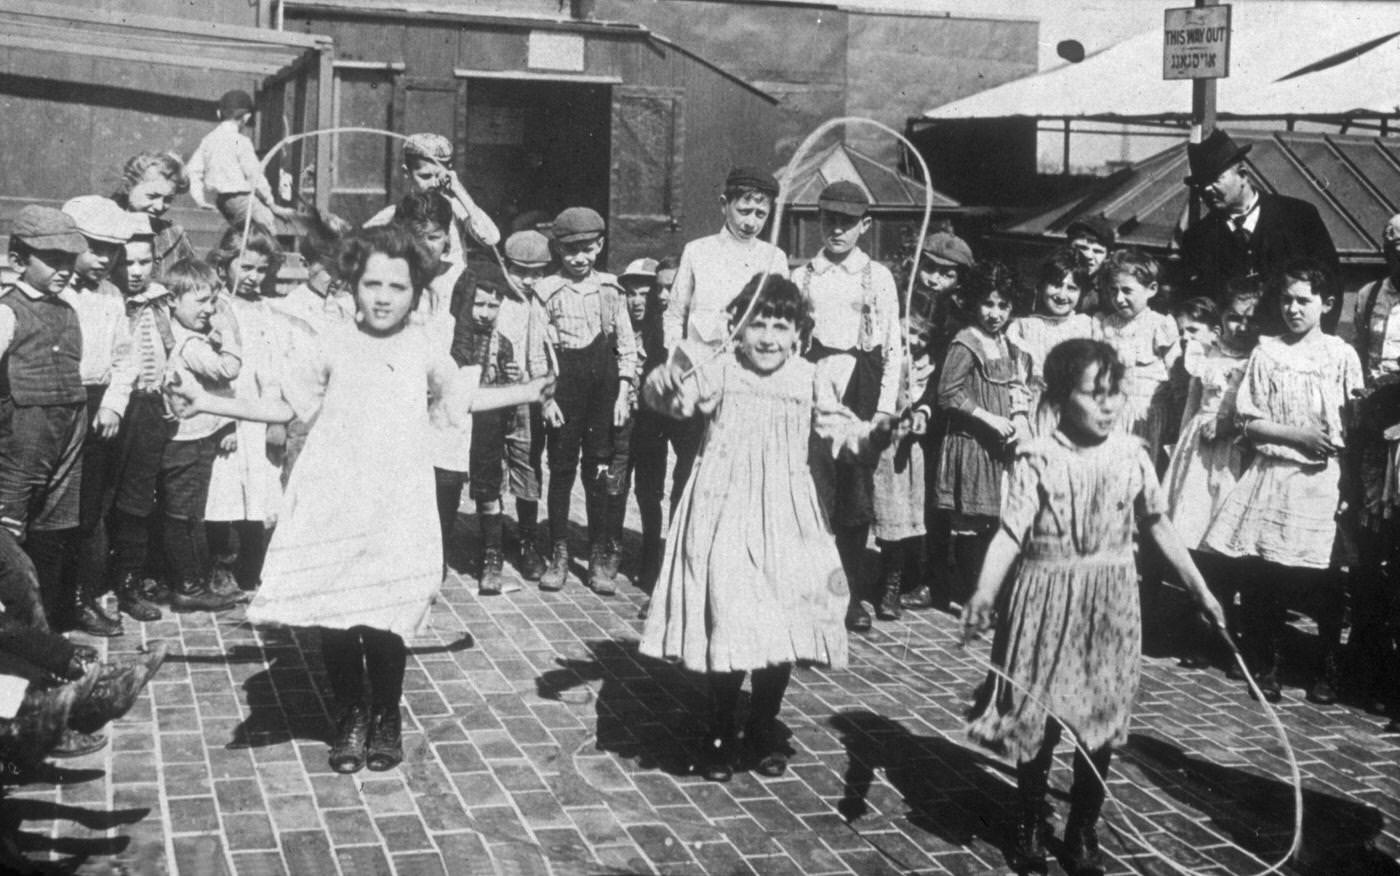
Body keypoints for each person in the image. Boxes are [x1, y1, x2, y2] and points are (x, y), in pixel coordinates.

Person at [164, 225, 551, 774]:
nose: (384, 296)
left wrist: (529, 390)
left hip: (396, 495)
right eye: (372, 283)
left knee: (385, 611)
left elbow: (459, 398)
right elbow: (285, 406)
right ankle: (349, 714)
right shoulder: (332, 340)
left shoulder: (422, 345)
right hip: (334, 494)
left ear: (415, 290)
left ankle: (386, 714)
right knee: (339, 609)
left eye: (397, 285)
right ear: (353, 285)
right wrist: (206, 399)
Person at [963, 338, 1226, 876]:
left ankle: (1083, 824)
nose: (1108, 405)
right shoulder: (1038, 456)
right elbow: (1010, 534)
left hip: (1110, 600)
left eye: (1115, 394)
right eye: (1094, 394)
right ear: (1061, 397)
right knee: (1036, 715)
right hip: (1045, 597)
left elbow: (1157, 523)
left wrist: (1201, 589)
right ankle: (1030, 817)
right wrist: (985, 592)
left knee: (1099, 717)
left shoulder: (1133, 455)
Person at [641, 275, 891, 782]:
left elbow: (841, 433)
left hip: (788, 513)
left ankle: (761, 724)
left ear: (800, 332)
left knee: (781, 620)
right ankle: (716, 730)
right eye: (759, 324)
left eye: (782, 326)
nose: (769, 338)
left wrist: (874, 435)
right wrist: (662, 384)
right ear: (737, 325)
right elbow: (674, 400)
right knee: (731, 616)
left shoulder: (809, 377)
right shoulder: (721, 370)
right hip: (724, 508)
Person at [1203, 261, 1362, 705]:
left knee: (1323, 580)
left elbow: (1353, 422)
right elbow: (1247, 421)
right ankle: (1266, 664)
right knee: (1266, 575)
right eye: (1287, 299)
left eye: (1303, 300)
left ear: (1326, 305)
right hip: (1273, 474)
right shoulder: (1267, 352)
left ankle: (1325, 669)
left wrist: (1348, 483)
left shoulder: (1339, 355)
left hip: (1320, 482)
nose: (1293, 309)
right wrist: (1298, 436)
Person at [107, 258, 243, 617]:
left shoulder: (183, 337)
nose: (210, 310)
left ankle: (183, 580)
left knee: (182, 513)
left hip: (187, 436)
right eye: (201, 302)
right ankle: (189, 586)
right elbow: (229, 368)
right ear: (172, 301)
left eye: (214, 302)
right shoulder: (187, 344)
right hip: (190, 439)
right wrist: (228, 330)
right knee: (185, 516)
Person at [798, 181, 901, 631]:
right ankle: (812, 591)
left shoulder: (876, 276)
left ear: (865, 225)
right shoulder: (803, 274)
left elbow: (894, 347)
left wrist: (882, 409)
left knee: (854, 497)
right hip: (814, 386)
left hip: (860, 389)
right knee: (814, 491)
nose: (836, 230)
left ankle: (851, 596)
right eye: (828, 220)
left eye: (846, 222)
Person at [664, 167, 789, 514]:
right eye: (744, 211)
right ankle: (678, 553)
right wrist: (678, 361)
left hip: (748, 381)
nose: (751, 221)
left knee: (740, 470)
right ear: (724, 204)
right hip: (700, 376)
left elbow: (783, 325)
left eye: (760, 214)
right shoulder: (697, 252)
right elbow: (675, 314)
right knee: (691, 466)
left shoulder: (773, 258)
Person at [534, 207, 638, 593]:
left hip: (603, 392)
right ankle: (558, 554)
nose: (579, 258)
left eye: (587, 249)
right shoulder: (546, 292)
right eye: (570, 251)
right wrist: (547, 399)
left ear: (600, 246)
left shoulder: (611, 290)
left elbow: (626, 344)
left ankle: (597, 556)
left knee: (598, 470)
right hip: (565, 391)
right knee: (561, 470)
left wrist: (623, 393)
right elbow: (537, 352)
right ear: (558, 251)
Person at [0, 206, 91, 635]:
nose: (64, 269)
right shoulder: (8, 311)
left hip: (69, 431)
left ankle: (47, 632)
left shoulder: (69, 310)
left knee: (54, 530)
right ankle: (19, 640)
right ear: (18, 260)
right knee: (10, 534)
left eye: (69, 260)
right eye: (51, 259)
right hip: (21, 438)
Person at [204, 229, 306, 597]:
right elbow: (213, 372)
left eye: (262, 270)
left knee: (261, 489)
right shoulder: (216, 307)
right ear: (224, 263)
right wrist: (223, 422)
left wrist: (277, 419)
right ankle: (222, 566)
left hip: (261, 412)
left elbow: (276, 366)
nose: (253, 276)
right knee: (227, 491)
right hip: (229, 411)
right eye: (245, 267)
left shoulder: (267, 310)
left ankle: (253, 566)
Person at [1163, 285, 1259, 671]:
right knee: (1199, 540)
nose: (1241, 325)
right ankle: (1201, 634)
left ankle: (1235, 640)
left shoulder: (1258, 358)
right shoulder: (1205, 357)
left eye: (1250, 319)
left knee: (1232, 543)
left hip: (1235, 454)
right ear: (1221, 320)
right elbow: (1191, 404)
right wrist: (1181, 446)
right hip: (1200, 455)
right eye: (1235, 317)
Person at [56, 197, 139, 637]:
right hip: (57, 407)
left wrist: (113, 403)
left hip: (96, 408)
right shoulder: (57, 292)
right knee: (53, 511)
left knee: (90, 511)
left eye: (113, 250)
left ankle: (81, 598)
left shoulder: (111, 296)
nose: (105, 259)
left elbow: (126, 359)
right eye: (96, 248)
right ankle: (52, 602)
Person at [932, 261, 1030, 611]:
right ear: (974, 303)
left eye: (1002, 305)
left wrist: (1018, 417)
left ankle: (990, 591)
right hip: (971, 442)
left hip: (997, 446)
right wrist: (987, 418)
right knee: (970, 521)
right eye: (988, 304)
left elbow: (1017, 385)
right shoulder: (966, 341)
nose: (994, 313)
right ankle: (967, 593)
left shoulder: (1005, 343)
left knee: (995, 518)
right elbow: (949, 393)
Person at [1179, 127, 1340, 333]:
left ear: (1243, 175)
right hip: (1230, 349)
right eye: (1201, 184)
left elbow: (1331, 282)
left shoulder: (1299, 217)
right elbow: (1195, 305)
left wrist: (1315, 344)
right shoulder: (1198, 238)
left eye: (1214, 179)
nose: (1206, 189)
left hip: (1291, 347)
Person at [901, 230, 975, 612]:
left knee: (935, 499)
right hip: (905, 406)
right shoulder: (904, 304)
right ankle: (902, 571)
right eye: (930, 269)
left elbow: (946, 373)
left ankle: (933, 579)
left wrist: (929, 407)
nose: (936, 280)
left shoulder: (958, 319)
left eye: (947, 274)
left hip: (941, 416)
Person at [1348, 212, 1400, 729]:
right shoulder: (1368, 297)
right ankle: (1366, 670)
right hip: (1374, 439)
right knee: (1371, 553)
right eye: (1395, 247)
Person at [605, 258, 670, 595]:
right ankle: (612, 549)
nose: (637, 301)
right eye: (631, 294)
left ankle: (650, 559)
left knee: (649, 491)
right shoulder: (617, 327)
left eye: (645, 293)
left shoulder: (663, 333)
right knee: (614, 482)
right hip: (621, 417)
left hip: (651, 422)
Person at [454, 265, 519, 595]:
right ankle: (435, 556)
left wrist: (511, 377)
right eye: (478, 304)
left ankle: (492, 557)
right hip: (453, 423)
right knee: (444, 486)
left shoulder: (501, 344)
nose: (484, 313)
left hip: (486, 427)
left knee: (487, 488)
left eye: (492, 306)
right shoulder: (452, 340)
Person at [498, 230, 553, 581]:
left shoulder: (542, 304)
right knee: (489, 467)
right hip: (492, 394)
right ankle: (492, 538)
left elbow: (548, 355)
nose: (530, 280)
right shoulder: (494, 299)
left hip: (528, 398)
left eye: (538, 273)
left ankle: (528, 541)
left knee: (528, 465)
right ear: (505, 266)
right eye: (521, 271)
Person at [1092, 249, 1180, 469]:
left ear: (1151, 290)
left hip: (1149, 416)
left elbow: (1177, 377)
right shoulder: (1105, 324)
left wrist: (1176, 419)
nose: (1119, 298)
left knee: (1143, 472)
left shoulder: (1160, 325)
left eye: (1127, 291)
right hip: (1113, 415)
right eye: (1113, 291)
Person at [363, 133, 499, 266]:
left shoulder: (456, 209)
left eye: (439, 176)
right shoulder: (395, 212)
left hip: (453, 286)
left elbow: (491, 238)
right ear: (406, 173)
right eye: (425, 176)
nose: (434, 183)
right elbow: (360, 243)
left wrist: (459, 191)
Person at [1006, 249, 1093, 435]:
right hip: (1037, 415)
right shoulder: (1024, 327)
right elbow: (1017, 380)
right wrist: (1019, 419)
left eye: (1071, 288)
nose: (1062, 295)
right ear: (1041, 285)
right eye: (1055, 285)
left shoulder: (1087, 326)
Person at [187, 89, 295, 237]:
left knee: (243, 234)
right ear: (246, 117)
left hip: (222, 201)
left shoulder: (208, 140)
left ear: (218, 114)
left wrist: (199, 199)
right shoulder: (241, 141)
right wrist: (272, 204)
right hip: (241, 198)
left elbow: (193, 170)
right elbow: (254, 176)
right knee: (268, 230)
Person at [111, 152, 197, 280]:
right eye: (152, 196)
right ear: (128, 187)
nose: (159, 206)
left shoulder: (175, 237)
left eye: (168, 199)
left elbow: (193, 283)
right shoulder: (103, 228)